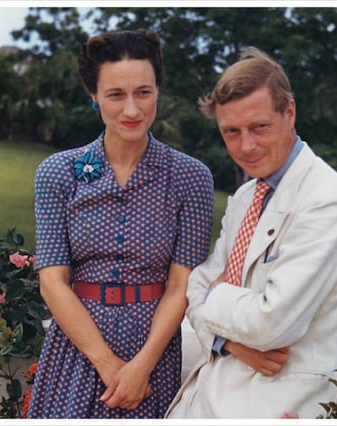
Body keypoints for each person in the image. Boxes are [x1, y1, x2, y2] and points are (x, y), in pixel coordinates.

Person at [165, 47, 337, 418]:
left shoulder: (328, 199)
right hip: (213, 391)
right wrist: (228, 342)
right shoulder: (246, 196)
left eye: (260, 127)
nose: (246, 146)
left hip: (279, 403)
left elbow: (271, 324)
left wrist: (215, 294)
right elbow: (194, 291)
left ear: (289, 112)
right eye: (231, 131)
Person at [27, 28, 214, 419]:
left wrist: (141, 366)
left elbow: (182, 285)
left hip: (152, 351)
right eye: (116, 95)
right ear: (94, 96)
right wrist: (108, 364)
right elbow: (52, 282)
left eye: (143, 92)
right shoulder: (59, 173)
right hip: (76, 346)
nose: (132, 110)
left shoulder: (190, 178)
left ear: (158, 90)